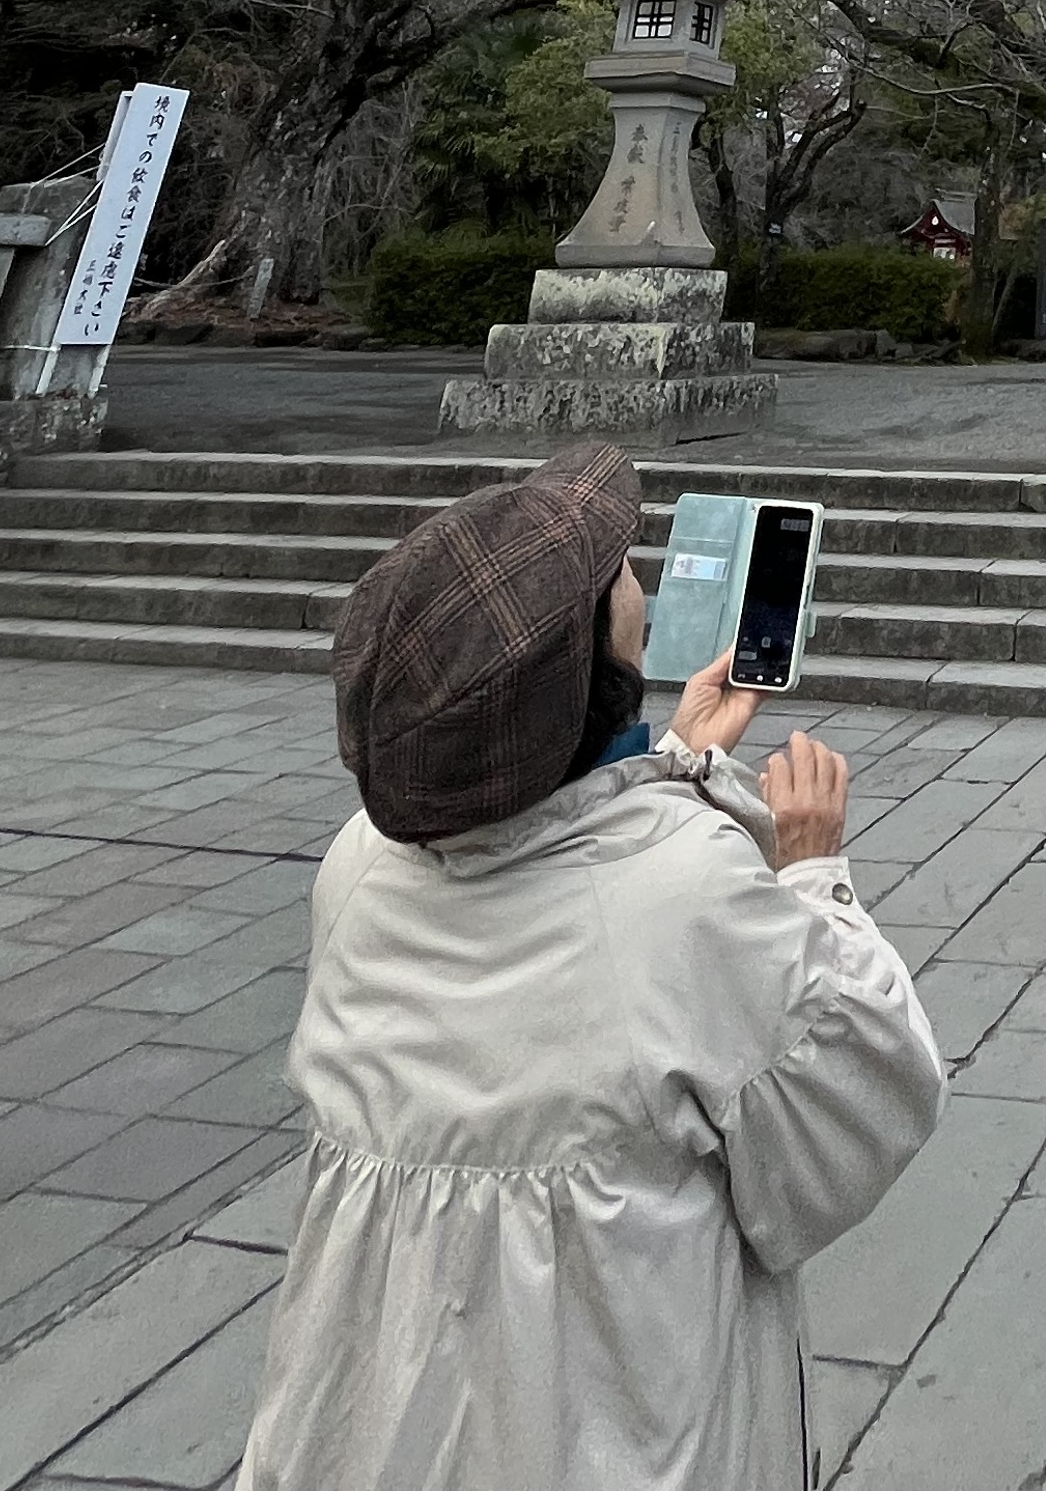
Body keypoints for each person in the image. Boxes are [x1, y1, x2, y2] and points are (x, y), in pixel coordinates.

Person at [238, 442, 946, 1491]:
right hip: (609, 1428)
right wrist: (811, 874)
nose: (634, 577)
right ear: (592, 674)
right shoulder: (689, 894)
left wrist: (682, 763)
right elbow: (853, 1127)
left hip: (375, 1427)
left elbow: (573, 877)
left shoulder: (360, 866)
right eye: (614, 575)